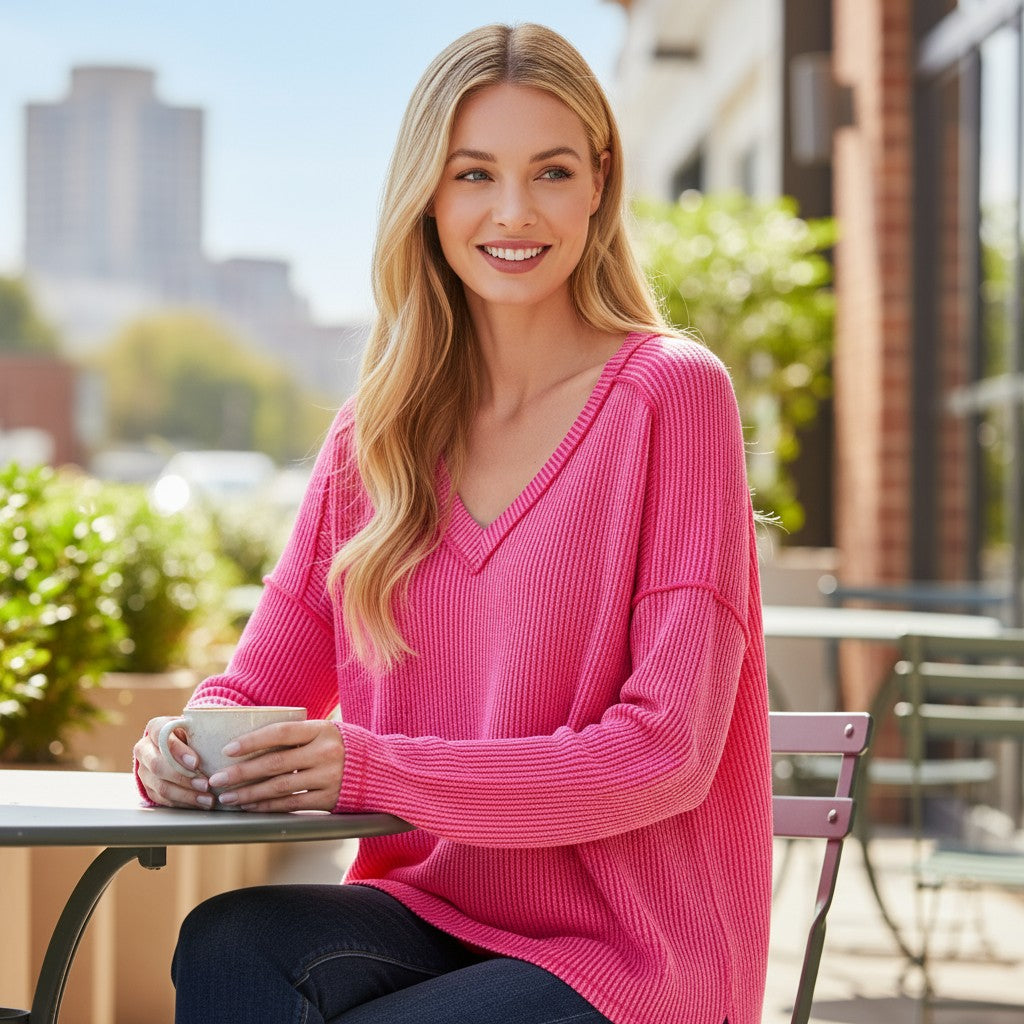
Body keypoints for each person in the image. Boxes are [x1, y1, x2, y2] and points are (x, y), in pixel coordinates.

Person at [134, 22, 772, 1024]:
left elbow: (665, 752)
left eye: (550, 172)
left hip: (629, 954)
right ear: (428, 193)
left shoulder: (671, 395)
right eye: (474, 174)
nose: (512, 211)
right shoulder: (375, 436)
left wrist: (370, 765)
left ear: (599, 183)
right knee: (230, 945)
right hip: (426, 911)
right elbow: (253, 684)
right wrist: (177, 743)